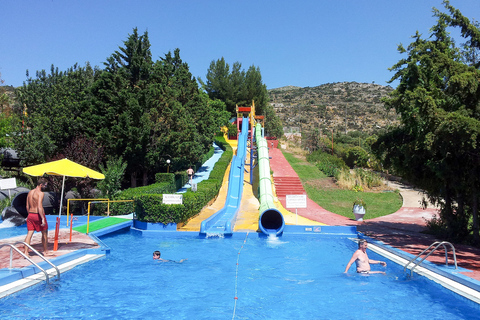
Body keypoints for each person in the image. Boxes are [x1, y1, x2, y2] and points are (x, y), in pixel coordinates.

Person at [24, 177, 49, 256]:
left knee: (29, 234)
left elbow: (27, 206)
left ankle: (26, 252)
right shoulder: (40, 193)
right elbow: (39, 207)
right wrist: (42, 219)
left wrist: (29, 215)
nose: (45, 187)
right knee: (44, 233)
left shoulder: (30, 192)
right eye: (45, 185)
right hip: (37, 215)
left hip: (30, 215)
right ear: (41, 185)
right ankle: (45, 251)